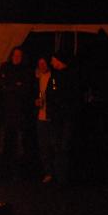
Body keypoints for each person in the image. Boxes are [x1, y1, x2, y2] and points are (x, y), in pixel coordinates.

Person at [0, 46, 35, 180]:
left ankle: (18, 173)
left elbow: (25, 89)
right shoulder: (4, 67)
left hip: (20, 113)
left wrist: (9, 86)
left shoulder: (26, 71)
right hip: (5, 112)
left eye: (19, 56)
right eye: (14, 55)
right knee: (4, 142)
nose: (16, 58)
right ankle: (3, 171)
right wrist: (14, 86)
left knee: (19, 143)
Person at [41, 51, 79, 184]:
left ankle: (63, 176)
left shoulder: (70, 76)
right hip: (56, 118)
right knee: (56, 146)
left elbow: (70, 97)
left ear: (58, 60)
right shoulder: (55, 76)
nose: (51, 63)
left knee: (63, 146)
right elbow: (50, 94)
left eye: (53, 60)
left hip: (65, 118)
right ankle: (58, 176)